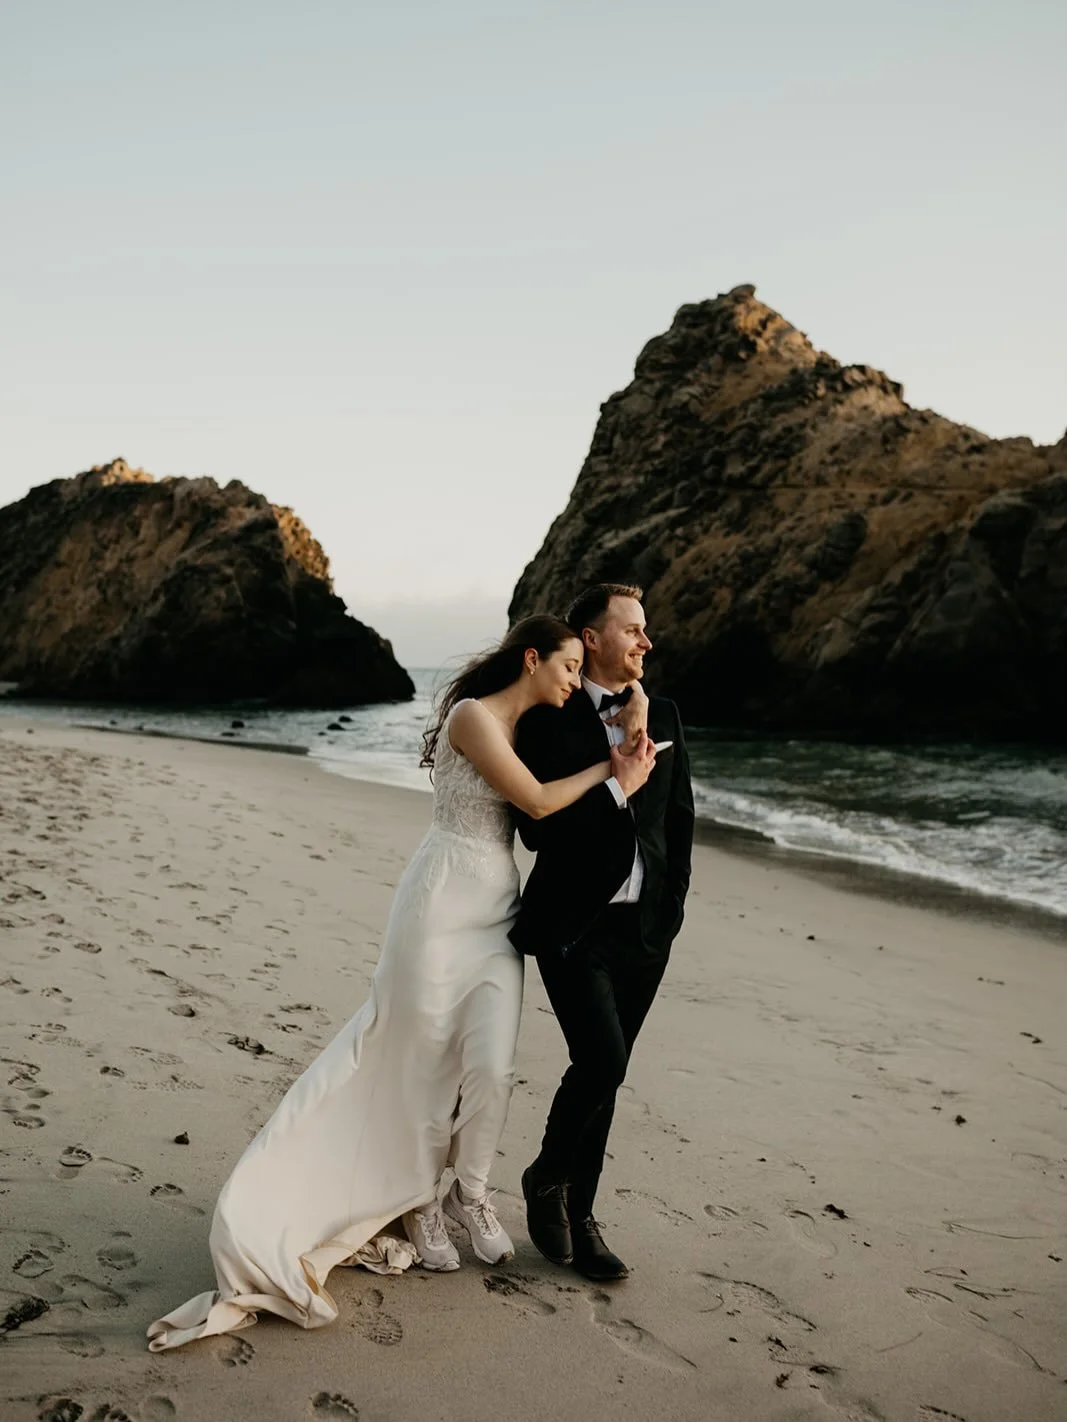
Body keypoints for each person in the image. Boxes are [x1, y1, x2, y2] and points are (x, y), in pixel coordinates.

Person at [147, 615, 656, 1351]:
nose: (576, 681)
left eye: (583, 670)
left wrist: (633, 714)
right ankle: (418, 1201)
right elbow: (539, 802)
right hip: (439, 904)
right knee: (421, 1061)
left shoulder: (540, 728)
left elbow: (557, 810)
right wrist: (614, 772)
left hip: (497, 910)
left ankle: (470, 1193)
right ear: (532, 658)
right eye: (569, 666)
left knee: (491, 1064)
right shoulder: (472, 717)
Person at [510, 584, 695, 1283]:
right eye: (633, 629)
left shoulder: (663, 712)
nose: (646, 641)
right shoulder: (547, 718)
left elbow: (678, 819)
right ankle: (545, 1178)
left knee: (605, 1078)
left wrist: (671, 909)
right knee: (603, 1061)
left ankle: (581, 1216)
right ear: (591, 638)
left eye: (646, 630)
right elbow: (537, 832)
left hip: (646, 930)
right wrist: (615, 781)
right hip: (573, 925)